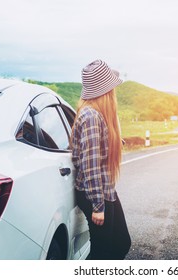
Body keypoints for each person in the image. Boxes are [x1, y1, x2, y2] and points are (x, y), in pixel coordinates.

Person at [71, 59, 131, 260]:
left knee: (120, 243)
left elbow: (95, 150)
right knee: (102, 252)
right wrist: (98, 206)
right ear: (105, 91)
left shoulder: (96, 115)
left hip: (104, 189)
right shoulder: (91, 117)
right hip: (95, 194)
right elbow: (91, 166)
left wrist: (113, 142)